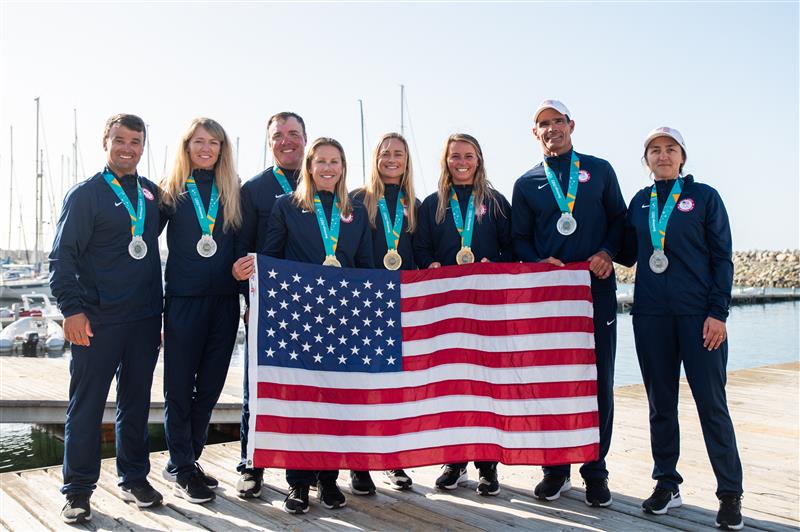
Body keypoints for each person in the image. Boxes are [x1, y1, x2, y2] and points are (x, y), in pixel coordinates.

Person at [236, 137, 373, 513]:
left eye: (335, 161)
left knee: (333, 400)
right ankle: (297, 484)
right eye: (321, 161)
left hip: (341, 319)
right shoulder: (287, 206)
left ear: (343, 167)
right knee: (300, 399)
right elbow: (271, 256)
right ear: (310, 166)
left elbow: (365, 265)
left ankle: (328, 481)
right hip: (298, 319)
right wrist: (251, 282)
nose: (328, 168)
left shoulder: (356, 210)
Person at [617, 127, 743, 530]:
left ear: (683, 156)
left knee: (712, 405)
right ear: (646, 159)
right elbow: (619, 248)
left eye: (670, 149)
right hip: (651, 317)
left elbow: (723, 258)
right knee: (660, 405)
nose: (663, 155)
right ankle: (667, 484)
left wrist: (718, 312)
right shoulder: (639, 203)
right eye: (654, 150)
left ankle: (730, 494)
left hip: (699, 317)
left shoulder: (704, 197)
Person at [511, 99, 626, 507]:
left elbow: (621, 222)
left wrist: (608, 253)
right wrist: (536, 262)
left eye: (557, 121)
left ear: (571, 125)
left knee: (600, 381)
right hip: (549, 298)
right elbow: (519, 239)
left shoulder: (600, 170)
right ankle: (555, 470)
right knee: (551, 382)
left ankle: (595, 470)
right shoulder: (526, 183)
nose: (551, 129)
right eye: (543, 123)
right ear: (534, 131)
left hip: (595, 290)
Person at [50, 114, 164, 524]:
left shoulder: (152, 195)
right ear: (106, 142)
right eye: (120, 139)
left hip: (145, 319)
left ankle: (134, 478)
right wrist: (71, 310)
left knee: (135, 404)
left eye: (136, 141)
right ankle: (77, 490)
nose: (128, 148)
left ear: (143, 146)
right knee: (87, 405)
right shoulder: (86, 195)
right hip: (96, 320)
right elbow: (62, 258)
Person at [413, 133, 514, 496]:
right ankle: (454, 461)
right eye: (455, 156)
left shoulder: (497, 202)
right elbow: (420, 248)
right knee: (451, 385)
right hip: (445, 311)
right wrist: (431, 263)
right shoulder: (431, 205)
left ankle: (488, 465)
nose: (462, 162)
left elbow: (511, 249)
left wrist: (494, 265)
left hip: (485, 309)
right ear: (446, 160)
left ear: (479, 159)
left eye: (468, 155)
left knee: (485, 385)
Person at [158, 118, 242, 504]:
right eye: (198, 142)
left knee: (208, 389)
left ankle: (185, 459)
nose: (206, 148)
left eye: (214, 142)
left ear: (222, 149)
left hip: (224, 304)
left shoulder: (232, 193)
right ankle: (183, 465)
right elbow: (138, 239)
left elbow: (243, 250)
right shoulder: (170, 191)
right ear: (186, 146)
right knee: (178, 389)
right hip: (183, 303)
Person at [231, 111, 307, 499]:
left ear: (306, 139)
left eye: (293, 133)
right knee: (256, 389)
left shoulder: (325, 183)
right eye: (279, 135)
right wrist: (248, 303)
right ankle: (251, 465)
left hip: (313, 310)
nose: (286, 140)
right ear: (269, 142)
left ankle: (307, 472)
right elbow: (243, 251)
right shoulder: (254, 190)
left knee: (307, 391)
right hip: (267, 308)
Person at [349, 132, 420, 495]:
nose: (392, 159)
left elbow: (421, 256)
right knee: (364, 390)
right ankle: (359, 466)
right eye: (385, 153)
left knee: (396, 389)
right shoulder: (357, 201)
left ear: (407, 161)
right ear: (375, 158)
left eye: (399, 154)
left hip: (403, 308)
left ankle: (394, 459)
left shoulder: (414, 203)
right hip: (363, 308)